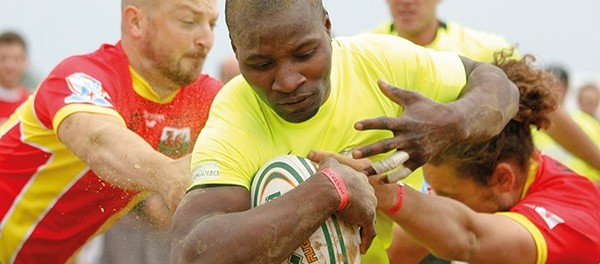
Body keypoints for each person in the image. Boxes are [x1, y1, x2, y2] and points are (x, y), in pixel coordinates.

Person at [170, 0, 521, 263]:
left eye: (305, 53)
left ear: (327, 26)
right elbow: (192, 252)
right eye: (262, 64)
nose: (289, 81)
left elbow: (499, 86)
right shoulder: (235, 115)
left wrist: (450, 122)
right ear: (236, 51)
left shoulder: (379, 62)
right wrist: (331, 189)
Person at [0, 0, 222, 262]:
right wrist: (169, 176)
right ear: (136, 22)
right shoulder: (82, 77)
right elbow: (99, 141)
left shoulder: (205, 98)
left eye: (212, 24)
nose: (206, 40)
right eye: (189, 22)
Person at [380, 52, 600, 263]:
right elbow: (398, 254)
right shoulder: (482, 177)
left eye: (449, 195)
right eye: (434, 189)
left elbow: (469, 239)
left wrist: (384, 190)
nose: (437, 200)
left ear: (504, 179)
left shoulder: (571, 220)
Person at [372, 0, 600, 189]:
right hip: (384, 200)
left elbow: (542, 108)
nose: (406, 2)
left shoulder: (486, 50)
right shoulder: (366, 50)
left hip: (464, 207)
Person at [0, 31, 31, 125]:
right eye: (3, 58)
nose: (9, 66)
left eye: (16, 59)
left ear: (25, 61)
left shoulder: (32, 106)